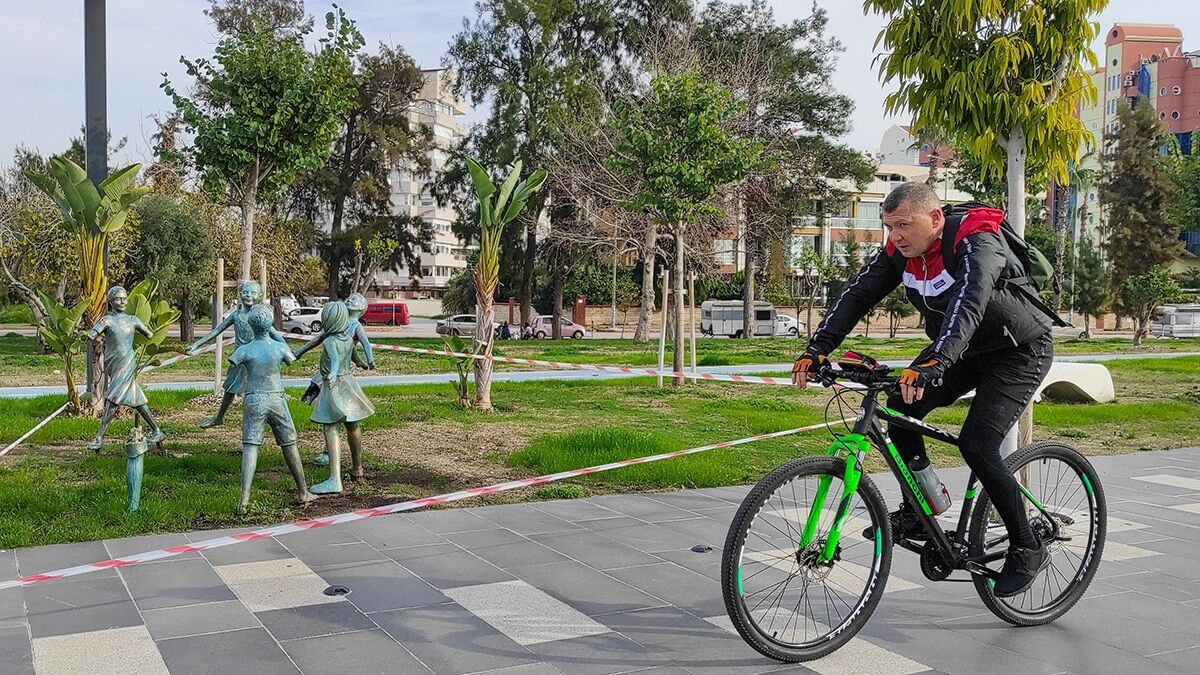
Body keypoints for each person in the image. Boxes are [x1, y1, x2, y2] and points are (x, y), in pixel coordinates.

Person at [791, 182, 1054, 598]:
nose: (894, 236)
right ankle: (921, 508)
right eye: (888, 226)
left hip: (1017, 352)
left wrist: (937, 362)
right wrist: (816, 349)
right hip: (961, 349)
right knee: (899, 408)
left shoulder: (976, 239)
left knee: (978, 444)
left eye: (903, 225)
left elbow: (972, 300)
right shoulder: (901, 252)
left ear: (934, 219)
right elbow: (857, 295)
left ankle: (1027, 545)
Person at [227, 305, 315, 515]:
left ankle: (244, 501)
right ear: (271, 325)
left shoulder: (244, 350)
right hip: (276, 398)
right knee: (289, 443)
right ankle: (303, 491)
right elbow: (291, 359)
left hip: (254, 398)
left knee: (250, 447)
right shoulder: (279, 347)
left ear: (250, 324)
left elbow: (233, 364)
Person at [185, 281, 286, 428]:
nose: (248, 296)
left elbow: (277, 337)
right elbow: (216, 331)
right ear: (240, 294)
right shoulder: (237, 315)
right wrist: (196, 344)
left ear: (259, 296)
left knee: (249, 396)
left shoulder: (259, 317)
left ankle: (250, 432)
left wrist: (286, 350)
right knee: (230, 388)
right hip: (238, 360)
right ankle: (219, 417)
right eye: (246, 292)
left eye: (252, 293)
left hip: (254, 362)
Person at [296, 293, 375, 466]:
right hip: (327, 373)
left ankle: (332, 455)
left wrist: (368, 360)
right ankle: (342, 459)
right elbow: (317, 340)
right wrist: (300, 352)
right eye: (349, 298)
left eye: (354, 300)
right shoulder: (335, 325)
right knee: (330, 410)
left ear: (361, 309)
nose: (350, 300)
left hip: (340, 374)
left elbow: (364, 345)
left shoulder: (355, 327)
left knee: (339, 417)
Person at [308, 301, 376, 494]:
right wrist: (364, 363)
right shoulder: (347, 338)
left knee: (330, 427)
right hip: (349, 382)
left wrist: (332, 373)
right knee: (353, 424)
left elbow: (335, 360)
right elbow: (354, 355)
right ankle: (357, 468)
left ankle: (334, 479)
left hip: (335, 383)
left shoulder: (330, 340)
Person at [86, 286, 165, 451]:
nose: (122, 301)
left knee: (113, 398)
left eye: (124, 298)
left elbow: (149, 333)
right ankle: (156, 430)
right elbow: (92, 334)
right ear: (111, 301)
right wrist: (94, 334)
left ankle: (99, 438)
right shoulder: (107, 320)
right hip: (114, 363)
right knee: (137, 399)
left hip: (128, 363)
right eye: (117, 299)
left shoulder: (133, 319)